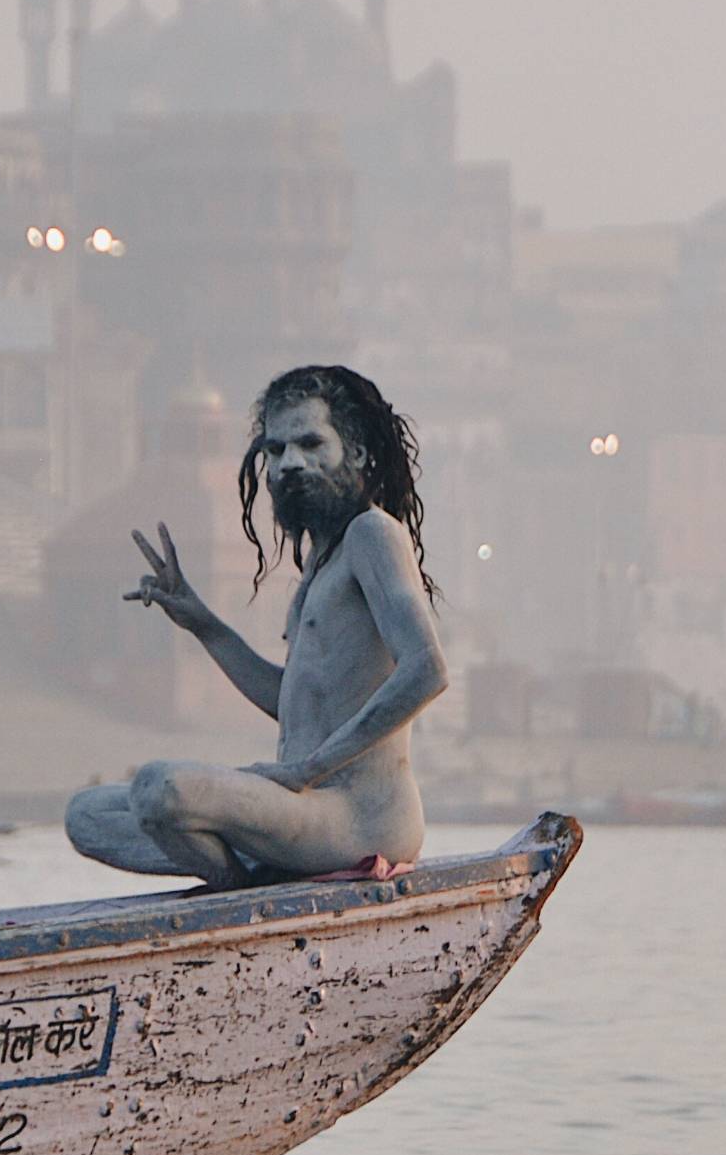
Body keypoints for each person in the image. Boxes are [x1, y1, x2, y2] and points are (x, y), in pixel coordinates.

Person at [66, 364, 447, 890]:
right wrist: (204, 624)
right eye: (275, 449)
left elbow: (428, 670)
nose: (290, 462)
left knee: (159, 788)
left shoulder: (373, 534)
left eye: (311, 443)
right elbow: (289, 699)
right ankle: (245, 879)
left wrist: (307, 770)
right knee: (87, 814)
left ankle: (239, 890)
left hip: (362, 819)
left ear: (355, 453)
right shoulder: (320, 564)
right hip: (303, 810)